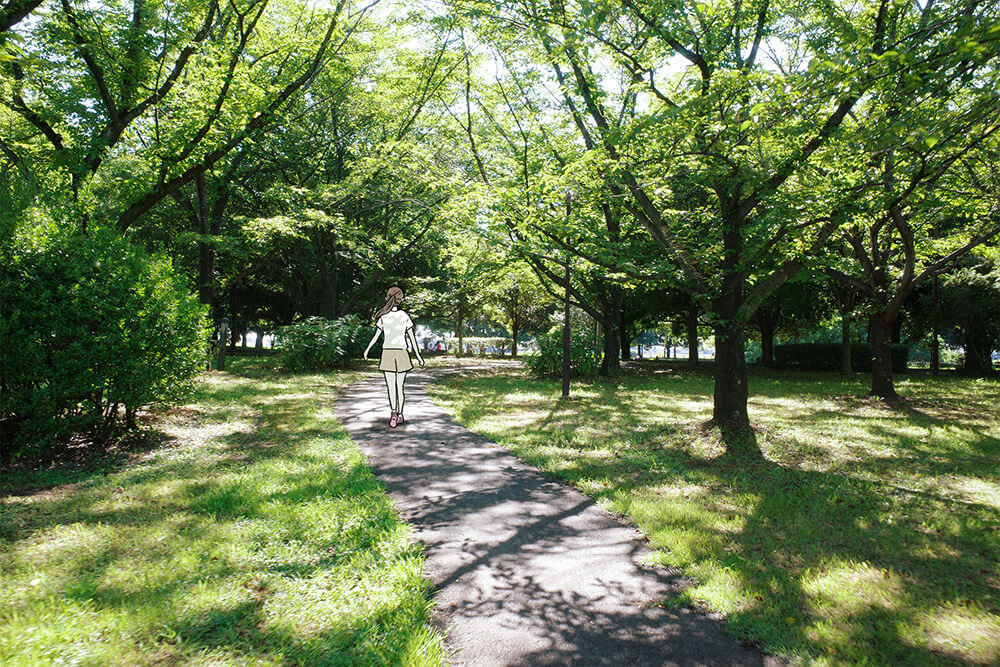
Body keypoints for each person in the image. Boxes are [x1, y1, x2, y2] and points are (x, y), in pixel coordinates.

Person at [363, 286, 424, 427]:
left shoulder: (384, 317)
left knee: (391, 387)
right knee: (399, 387)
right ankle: (400, 414)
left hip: (388, 353)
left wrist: (367, 350)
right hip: (402, 353)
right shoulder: (404, 316)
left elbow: (375, 337)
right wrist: (418, 357)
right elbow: (412, 339)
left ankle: (394, 413)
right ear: (401, 300)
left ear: (387, 298)